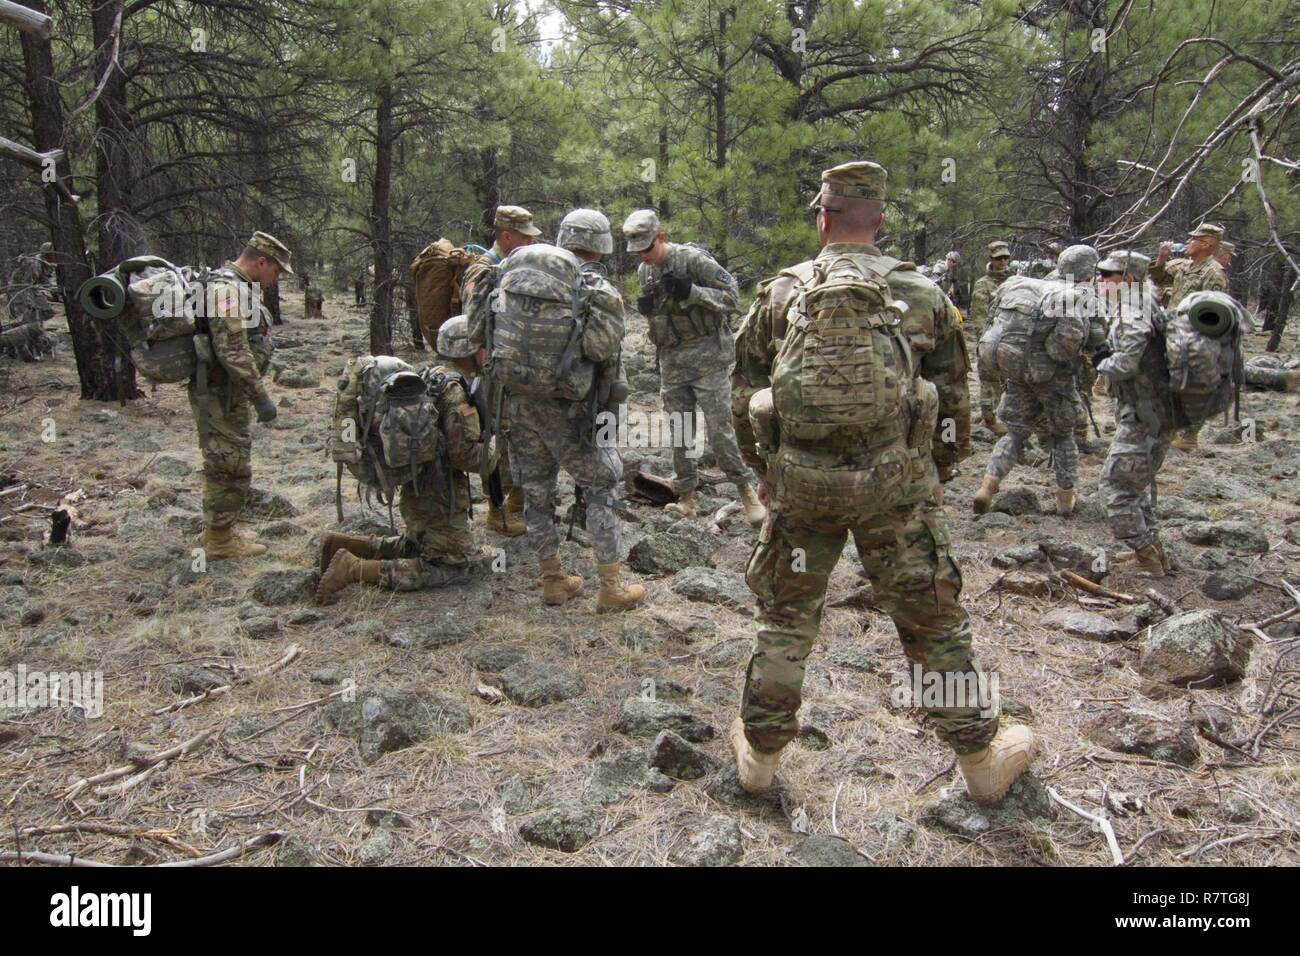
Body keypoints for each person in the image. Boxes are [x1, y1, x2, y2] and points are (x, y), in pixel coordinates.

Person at [729, 161, 1034, 803]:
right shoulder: (923, 294)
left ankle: (759, 759)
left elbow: (744, 393)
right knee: (930, 620)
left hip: (803, 487)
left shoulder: (781, 293)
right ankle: (980, 759)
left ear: (823, 217)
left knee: (785, 617)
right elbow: (954, 402)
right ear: (882, 220)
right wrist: (938, 474)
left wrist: (766, 473)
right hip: (895, 489)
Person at [469, 208, 645, 612]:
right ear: (601, 244)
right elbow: (600, 349)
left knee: (536, 494)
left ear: (565, 238)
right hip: (575, 410)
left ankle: (552, 580)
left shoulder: (505, 273)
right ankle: (611, 587)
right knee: (602, 487)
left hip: (518, 403)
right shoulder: (596, 288)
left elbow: (477, 332)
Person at [316, 316, 492, 601]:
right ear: (470, 350)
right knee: (455, 565)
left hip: (417, 486)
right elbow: (466, 457)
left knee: (418, 545)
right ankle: (352, 568)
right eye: (483, 346)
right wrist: (496, 447)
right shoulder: (456, 392)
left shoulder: (427, 375)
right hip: (441, 494)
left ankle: (344, 544)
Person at [622, 209, 765, 525]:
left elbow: (732, 298)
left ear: (660, 237)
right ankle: (686, 497)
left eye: (648, 248)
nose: (644, 257)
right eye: (638, 252)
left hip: (708, 358)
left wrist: (693, 292)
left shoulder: (693, 261)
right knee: (680, 430)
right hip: (672, 361)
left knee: (719, 429)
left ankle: (747, 492)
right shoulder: (645, 272)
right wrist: (647, 309)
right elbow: (659, 316)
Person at [974, 245, 1101, 517]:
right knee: (1064, 435)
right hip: (1051, 377)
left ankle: (988, 485)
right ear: (1088, 271)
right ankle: (1065, 500)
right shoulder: (1071, 296)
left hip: (1016, 371)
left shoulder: (1030, 286)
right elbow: (1064, 346)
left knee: (1016, 433)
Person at [191, 231, 288, 560]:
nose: (274, 281)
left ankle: (221, 530)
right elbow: (232, 350)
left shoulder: (235, 286)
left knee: (227, 457)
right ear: (261, 261)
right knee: (228, 462)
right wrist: (260, 397)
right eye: (275, 272)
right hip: (222, 392)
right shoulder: (228, 290)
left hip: (226, 390)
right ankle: (219, 541)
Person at [460, 205, 543, 537]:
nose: (528, 242)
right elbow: (474, 325)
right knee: (492, 435)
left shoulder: (512, 267)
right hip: (491, 371)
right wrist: (486, 369)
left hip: (513, 369)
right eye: (523, 236)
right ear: (506, 235)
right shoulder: (483, 270)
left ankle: (514, 503)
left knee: (515, 435)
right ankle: (496, 511)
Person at [1093, 251, 1173, 577]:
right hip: (1156, 411)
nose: (1099, 280)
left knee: (1115, 490)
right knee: (1136, 486)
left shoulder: (1132, 310)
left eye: (1107, 275)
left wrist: (1101, 362)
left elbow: (1126, 363)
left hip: (1143, 415)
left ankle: (1146, 559)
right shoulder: (1145, 304)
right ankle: (1155, 552)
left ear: (1127, 280)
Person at [1151, 224, 1229, 452]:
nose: (1188, 242)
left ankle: (1190, 435)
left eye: (1194, 239)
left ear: (1207, 244)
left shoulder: (1213, 273)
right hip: (1173, 331)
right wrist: (1162, 257)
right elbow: (1159, 275)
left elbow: (1214, 310)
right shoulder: (1186, 266)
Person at [971, 240, 1013, 433]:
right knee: (989, 382)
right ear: (991, 259)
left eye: (1005, 258)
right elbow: (979, 317)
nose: (1002, 262)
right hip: (990, 341)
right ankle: (989, 419)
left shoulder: (1014, 282)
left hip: (1011, 342)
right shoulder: (983, 285)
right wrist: (986, 344)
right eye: (999, 258)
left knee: (1010, 383)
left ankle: (1005, 416)